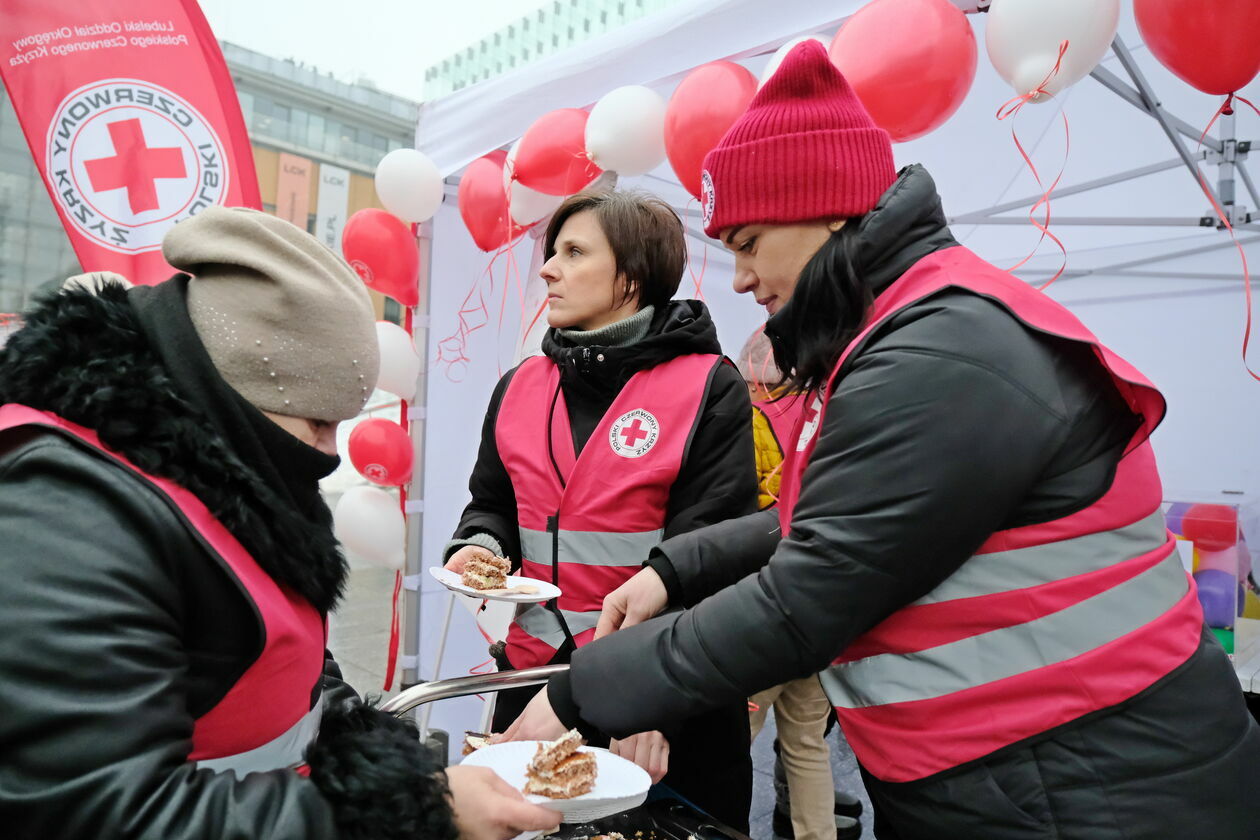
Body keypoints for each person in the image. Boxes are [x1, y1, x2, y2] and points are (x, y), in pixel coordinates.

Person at [499, 41, 1260, 840]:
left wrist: (581, 689)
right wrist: (672, 568)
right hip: (1016, 780)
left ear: (826, 211)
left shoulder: (939, 348)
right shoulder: (892, 331)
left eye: (750, 243)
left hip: (1094, 787)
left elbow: (810, 595)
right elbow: (826, 524)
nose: (743, 279)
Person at [0, 207, 559, 840]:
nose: (328, 453)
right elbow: (93, 811)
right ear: (237, 391)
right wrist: (408, 817)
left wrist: (387, 765)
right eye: (317, 423)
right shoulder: (65, 508)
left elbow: (287, 662)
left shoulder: (221, 473)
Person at [445, 190, 756, 830]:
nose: (548, 269)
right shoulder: (519, 385)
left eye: (574, 252)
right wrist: (477, 545)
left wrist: (654, 702)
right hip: (531, 685)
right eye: (552, 252)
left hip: (659, 699)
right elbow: (493, 503)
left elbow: (711, 557)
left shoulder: (708, 385)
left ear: (631, 278)